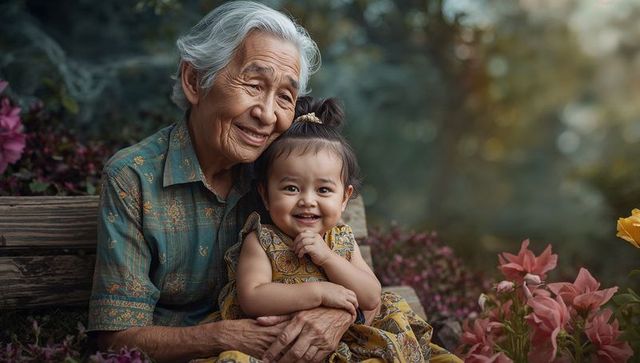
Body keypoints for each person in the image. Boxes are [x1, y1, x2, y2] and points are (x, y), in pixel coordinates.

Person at [88, 2, 358, 362]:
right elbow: (114, 339)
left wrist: (336, 312)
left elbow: (352, 275)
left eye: (285, 97)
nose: (267, 114)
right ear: (195, 81)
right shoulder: (134, 178)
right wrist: (225, 337)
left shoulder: (284, 173)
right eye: (254, 84)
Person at [210, 97, 462, 362]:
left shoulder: (340, 240)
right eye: (291, 188)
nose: (308, 200)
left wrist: (329, 259)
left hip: (352, 342)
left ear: (344, 198)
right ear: (265, 194)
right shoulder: (261, 241)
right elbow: (252, 296)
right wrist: (320, 292)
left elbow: (371, 295)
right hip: (283, 347)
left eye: (323, 190)